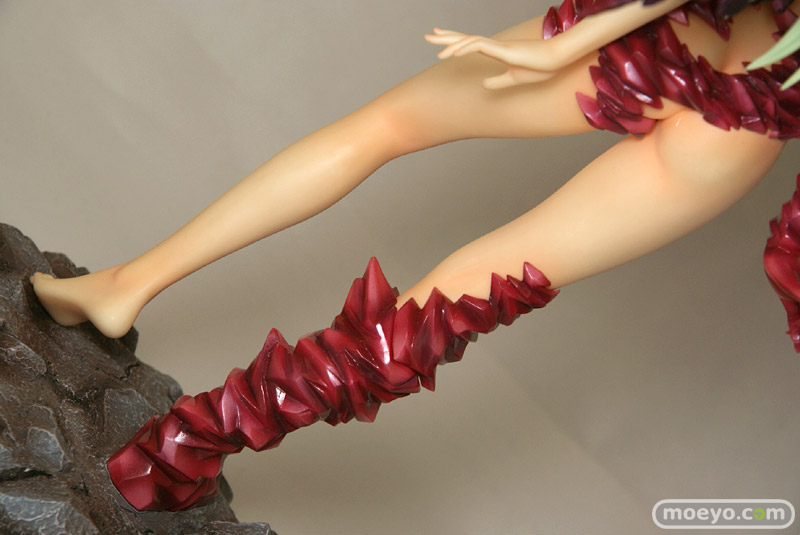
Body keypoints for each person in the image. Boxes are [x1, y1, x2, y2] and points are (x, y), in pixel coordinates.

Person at [29, 0, 800, 511]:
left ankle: (133, 287)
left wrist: (570, 42)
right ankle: (180, 451)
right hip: (750, 119)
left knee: (384, 130)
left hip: (690, 36)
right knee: (462, 296)